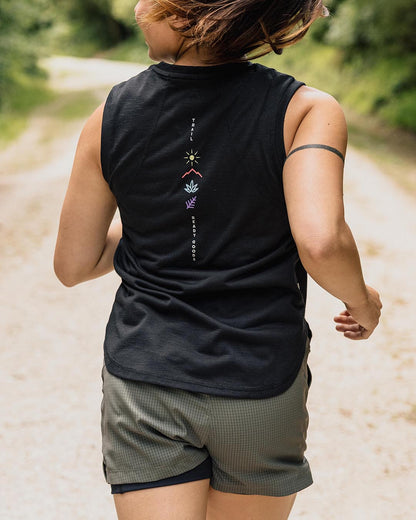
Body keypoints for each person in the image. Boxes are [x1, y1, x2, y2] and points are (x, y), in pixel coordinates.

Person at [54, 0, 382, 518]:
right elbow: (320, 241)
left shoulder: (110, 115)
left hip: (145, 378)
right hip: (258, 380)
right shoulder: (306, 111)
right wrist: (361, 302)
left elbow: (74, 264)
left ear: (185, 13)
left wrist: (154, 228)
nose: (137, 8)